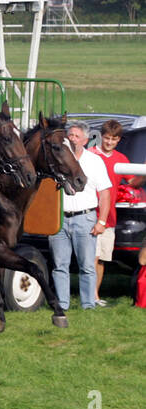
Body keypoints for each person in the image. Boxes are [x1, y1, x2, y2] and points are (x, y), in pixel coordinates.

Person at [47, 121, 113, 312]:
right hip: (59, 219)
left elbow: (105, 193)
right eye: (70, 135)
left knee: (86, 265)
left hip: (85, 218)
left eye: (76, 136)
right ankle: (62, 304)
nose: (72, 139)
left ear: (85, 140)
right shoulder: (58, 161)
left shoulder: (94, 162)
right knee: (59, 265)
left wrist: (101, 221)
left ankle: (87, 305)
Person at [89, 119, 130, 306]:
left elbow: (132, 182)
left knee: (101, 260)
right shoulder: (90, 155)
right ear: (101, 136)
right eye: (106, 138)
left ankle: (95, 295)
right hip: (90, 214)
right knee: (92, 257)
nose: (109, 142)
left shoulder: (122, 159)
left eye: (113, 139)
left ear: (118, 140)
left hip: (110, 218)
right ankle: (90, 296)